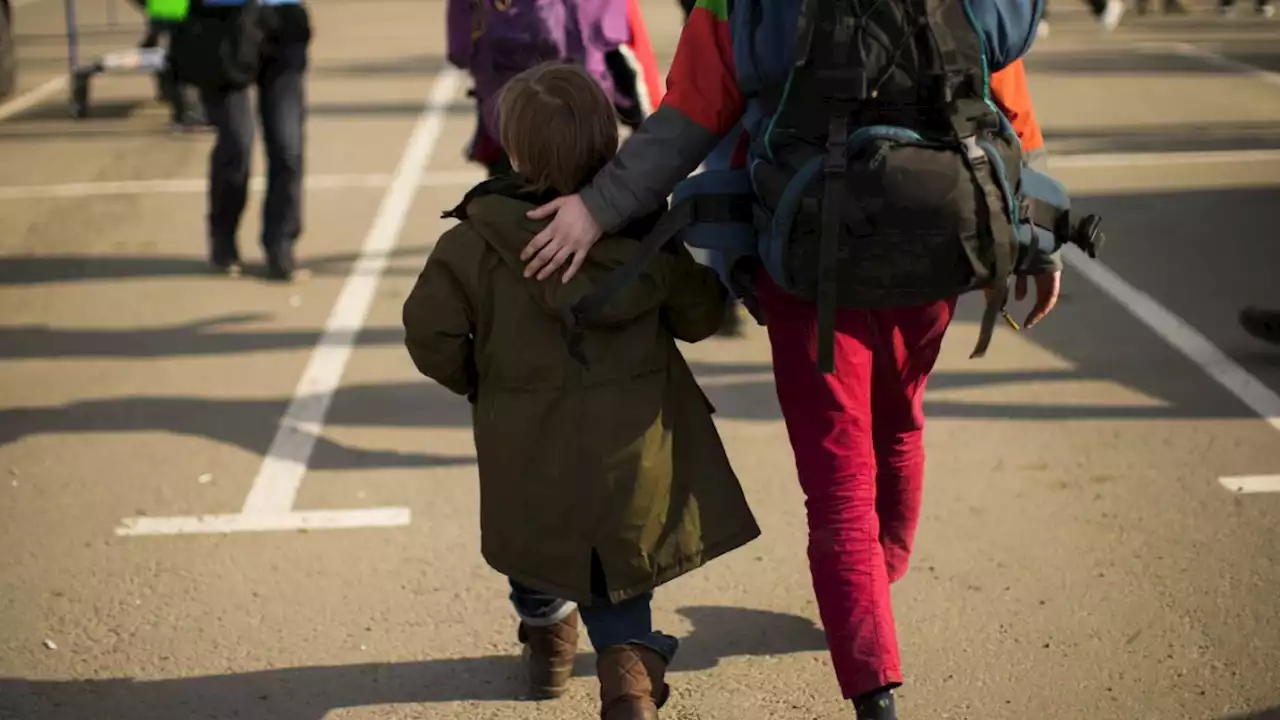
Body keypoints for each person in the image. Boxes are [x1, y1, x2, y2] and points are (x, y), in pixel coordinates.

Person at [516, 1, 1061, 717]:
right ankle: (879, 575)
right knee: (901, 421)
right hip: (937, 242)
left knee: (838, 482)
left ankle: (875, 687)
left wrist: (596, 207)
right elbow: (1002, 97)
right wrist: (1040, 234)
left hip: (809, 258)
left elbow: (686, 120)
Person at [402, 62, 760, 720]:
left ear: (513, 149)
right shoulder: (642, 233)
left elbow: (430, 337)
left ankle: (548, 647)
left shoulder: (471, 245)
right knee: (622, 570)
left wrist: (482, 381)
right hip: (635, 450)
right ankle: (628, 680)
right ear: (606, 141)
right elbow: (701, 316)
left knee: (536, 546)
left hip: (527, 443)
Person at [446, 0, 640, 177]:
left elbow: (459, 52)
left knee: (507, 196)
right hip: (574, 112)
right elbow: (600, 33)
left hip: (505, 116)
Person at [195, 0, 311, 280]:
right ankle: (223, 238)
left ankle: (280, 245)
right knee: (237, 143)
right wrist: (173, 17)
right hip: (219, 25)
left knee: (287, 147)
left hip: (283, 21)